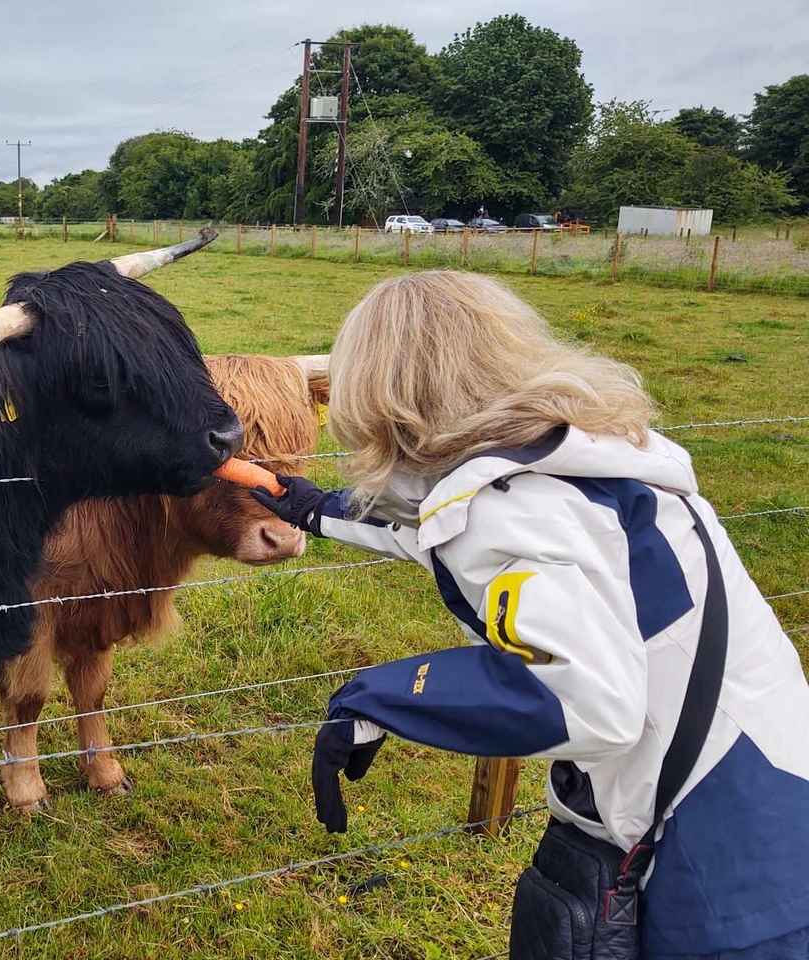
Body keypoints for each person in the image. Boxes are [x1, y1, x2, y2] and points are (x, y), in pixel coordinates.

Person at [251, 271, 809, 958]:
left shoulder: (518, 506)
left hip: (719, 864)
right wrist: (315, 508)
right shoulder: (588, 462)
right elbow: (445, 526)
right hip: (774, 790)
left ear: (383, 393)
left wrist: (380, 697)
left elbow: (586, 704)